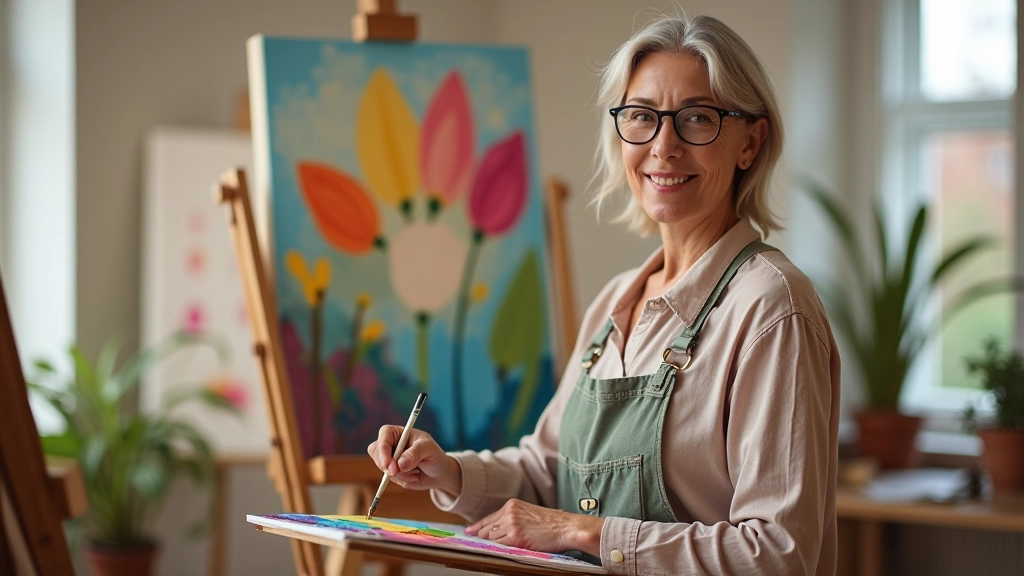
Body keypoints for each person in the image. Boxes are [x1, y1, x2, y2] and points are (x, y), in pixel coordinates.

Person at [368, 14, 840, 576]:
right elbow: (548, 473)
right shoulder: (618, 300)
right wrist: (447, 471)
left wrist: (580, 531)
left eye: (696, 119)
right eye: (641, 117)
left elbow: (778, 556)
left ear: (750, 142)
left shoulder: (771, 306)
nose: (663, 146)